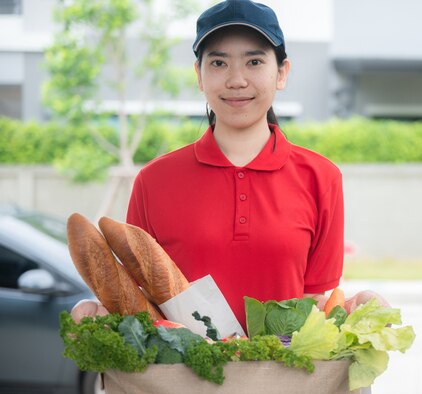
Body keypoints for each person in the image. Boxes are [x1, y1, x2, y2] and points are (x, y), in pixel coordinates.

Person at [71, 0, 388, 328]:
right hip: (182, 377)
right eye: (219, 63)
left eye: (254, 61)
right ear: (199, 75)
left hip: (284, 376)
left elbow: (314, 304)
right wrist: (101, 313)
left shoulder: (321, 178)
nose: (237, 80)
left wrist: (354, 308)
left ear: (281, 73)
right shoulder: (153, 181)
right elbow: (141, 305)